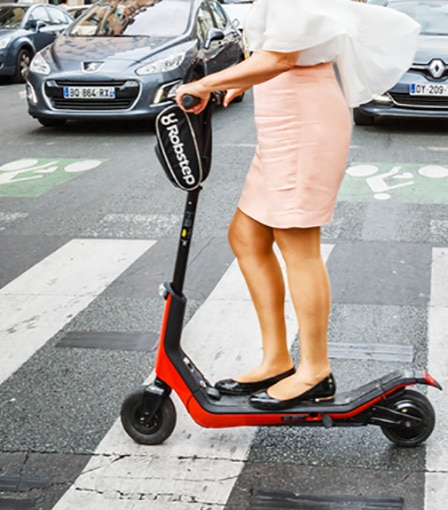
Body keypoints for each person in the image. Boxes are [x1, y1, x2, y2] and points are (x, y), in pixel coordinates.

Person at [173, 0, 419, 410]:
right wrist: (243, 80)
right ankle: (276, 360)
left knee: (298, 245)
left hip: (303, 122)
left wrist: (206, 84)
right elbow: (277, 48)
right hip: (282, 119)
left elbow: (283, 58)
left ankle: (316, 371)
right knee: (247, 236)